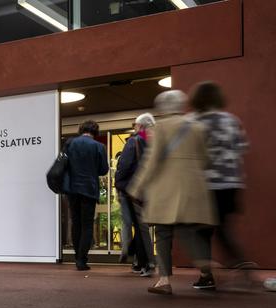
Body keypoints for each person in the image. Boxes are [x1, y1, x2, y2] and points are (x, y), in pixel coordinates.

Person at [128, 90, 217, 295]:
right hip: (195, 188)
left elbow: (151, 161)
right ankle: (205, 268)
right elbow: (207, 159)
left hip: (167, 188)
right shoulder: (197, 127)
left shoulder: (161, 128)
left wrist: (136, 186)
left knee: (163, 233)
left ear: (163, 107)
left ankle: (164, 280)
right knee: (192, 231)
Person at [188, 81, 252, 290]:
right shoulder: (231, 121)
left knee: (200, 231)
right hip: (232, 182)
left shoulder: (194, 121)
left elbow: (191, 153)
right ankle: (241, 263)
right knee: (223, 227)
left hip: (206, 183)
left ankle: (207, 275)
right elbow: (243, 147)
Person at [63, 121, 109, 271]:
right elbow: (103, 170)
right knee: (87, 225)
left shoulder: (70, 143)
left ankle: (77, 257)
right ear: (95, 132)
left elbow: (63, 163)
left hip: (72, 189)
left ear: (81, 130)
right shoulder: (98, 146)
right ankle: (82, 260)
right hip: (89, 189)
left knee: (76, 223)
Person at [115, 113, 156, 277]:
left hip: (132, 190)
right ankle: (139, 262)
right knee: (142, 227)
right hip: (149, 190)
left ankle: (147, 262)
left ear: (139, 126)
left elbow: (123, 166)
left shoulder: (134, 141)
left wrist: (118, 186)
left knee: (140, 227)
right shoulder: (154, 143)